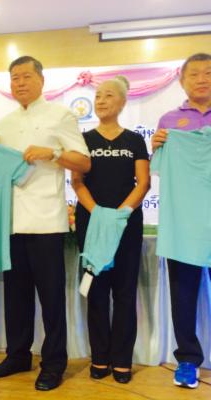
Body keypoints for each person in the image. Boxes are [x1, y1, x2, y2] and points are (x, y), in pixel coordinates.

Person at [0, 56, 90, 391]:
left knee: (51, 298)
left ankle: (54, 363)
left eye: (26, 76)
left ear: (41, 80)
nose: (19, 83)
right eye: (14, 77)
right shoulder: (5, 123)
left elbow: (84, 162)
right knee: (15, 297)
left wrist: (53, 154)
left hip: (46, 222)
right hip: (11, 222)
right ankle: (17, 355)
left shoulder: (61, 115)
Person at [72, 76, 150, 384]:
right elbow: (77, 182)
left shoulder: (134, 140)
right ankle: (100, 358)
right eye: (98, 96)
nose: (102, 101)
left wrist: (120, 215)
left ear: (122, 102)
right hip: (92, 224)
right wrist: (98, 214)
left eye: (108, 96)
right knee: (96, 292)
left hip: (126, 225)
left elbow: (143, 183)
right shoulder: (83, 140)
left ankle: (122, 361)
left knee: (124, 292)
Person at [151, 52, 211, 389]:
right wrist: (157, 145)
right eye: (195, 74)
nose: (202, 79)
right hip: (184, 222)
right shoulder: (170, 120)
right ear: (183, 81)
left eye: (209, 73)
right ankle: (187, 359)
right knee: (184, 294)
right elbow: (158, 166)